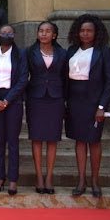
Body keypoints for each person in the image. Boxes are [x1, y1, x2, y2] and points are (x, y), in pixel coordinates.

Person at [65, 14, 110, 197]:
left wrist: (102, 106)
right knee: (79, 140)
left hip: (94, 101)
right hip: (74, 101)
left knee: (94, 140)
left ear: (96, 32)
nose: (85, 34)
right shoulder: (71, 50)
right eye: (82, 30)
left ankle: (95, 180)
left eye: (89, 31)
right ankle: (81, 180)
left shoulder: (103, 51)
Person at [25, 21, 67, 194]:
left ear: (54, 35)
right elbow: (23, 74)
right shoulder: (29, 52)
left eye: (47, 31)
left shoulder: (63, 53)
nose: (43, 34)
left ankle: (49, 176)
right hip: (36, 98)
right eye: (41, 31)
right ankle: (39, 177)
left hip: (55, 99)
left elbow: (66, 77)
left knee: (52, 138)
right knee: (37, 137)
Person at [0, 24, 29, 195]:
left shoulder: (21, 54)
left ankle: (13, 179)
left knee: (12, 141)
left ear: (14, 35)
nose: (6, 35)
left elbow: (23, 78)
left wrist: (7, 100)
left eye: (9, 32)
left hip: (13, 99)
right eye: (3, 32)